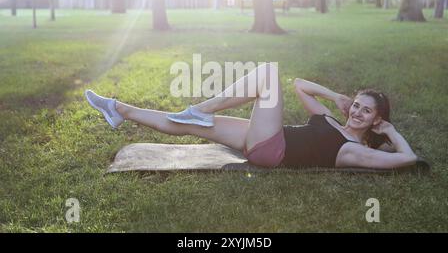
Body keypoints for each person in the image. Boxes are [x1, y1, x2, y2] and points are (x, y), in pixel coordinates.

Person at [84, 63, 417, 169]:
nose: (357, 112)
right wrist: (336, 97)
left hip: (273, 149)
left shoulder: (353, 150)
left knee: (268, 73)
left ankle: (202, 109)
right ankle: (118, 110)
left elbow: (408, 159)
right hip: (265, 138)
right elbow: (299, 86)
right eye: (357, 105)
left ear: (376, 120)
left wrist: (391, 132)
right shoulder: (332, 120)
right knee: (185, 125)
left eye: (366, 110)